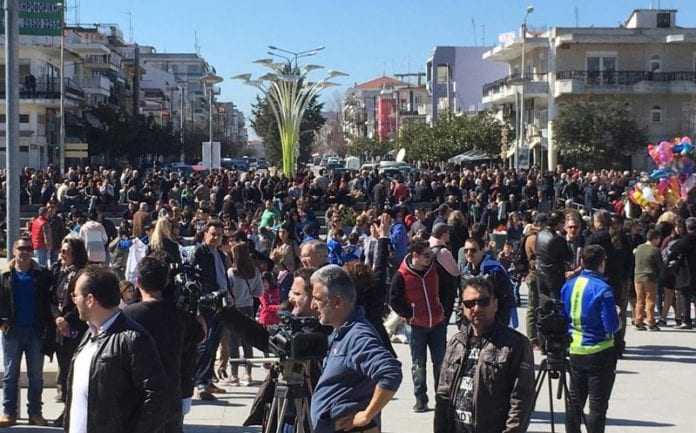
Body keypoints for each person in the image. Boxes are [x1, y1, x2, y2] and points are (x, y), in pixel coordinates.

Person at [64, 265, 169, 433]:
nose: (73, 300)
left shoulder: (133, 338)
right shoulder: (90, 333)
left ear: (90, 300)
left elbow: (157, 396)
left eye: (75, 295)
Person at [434, 277, 535, 433]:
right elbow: (443, 393)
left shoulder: (515, 344)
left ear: (495, 304)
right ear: (462, 307)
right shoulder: (456, 342)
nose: (476, 308)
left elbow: (521, 400)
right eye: (470, 303)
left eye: (483, 302)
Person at [310, 265, 402, 433]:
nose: (312, 306)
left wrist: (367, 415)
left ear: (337, 302)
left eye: (317, 299)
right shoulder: (341, 331)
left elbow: (390, 372)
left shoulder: (358, 336)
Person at [123, 256, 200, 433]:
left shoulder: (127, 315)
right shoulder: (179, 314)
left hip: (138, 396)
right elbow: (199, 334)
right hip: (171, 394)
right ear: (166, 282)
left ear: (138, 281)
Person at [560, 245, 620, 433]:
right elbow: (611, 326)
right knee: (597, 407)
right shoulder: (603, 289)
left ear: (582, 262)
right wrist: (618, 316)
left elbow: (562, 316)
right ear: (602, 263)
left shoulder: (568, 285)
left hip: (575, 350)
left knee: (574, 404)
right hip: (600, 351)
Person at [0, 237, 54, 427]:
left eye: (28, 248)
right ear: (14, 250)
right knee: (10, 375)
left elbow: (50, 300)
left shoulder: (43, 274)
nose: (25, 251)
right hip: (12, 331)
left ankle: (35, 413)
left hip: (36, 332)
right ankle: (8, 412)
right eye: (21, 248)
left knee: (36, 376)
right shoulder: (5, 274)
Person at [390, 239, 445, 412]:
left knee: (441, 363)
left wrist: (444, 310)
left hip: (437, 323)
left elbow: (448, 289)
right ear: (415, 255)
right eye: (426, 255)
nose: (430, 258)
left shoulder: (434, 270)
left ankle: (443, 399)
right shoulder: (401, 274)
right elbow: (393, 299)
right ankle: (421, 399)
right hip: (416, 327)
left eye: (431, 255)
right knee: (418, 364)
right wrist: (410, 314)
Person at [50, 238, 89, 427]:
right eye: (62, 251)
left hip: (76, 329)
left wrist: (67, 320)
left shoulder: (83, 274)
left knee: (74, 373)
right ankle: (67, 408)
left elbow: (80, 301)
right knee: (64, 371)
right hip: (59, 329)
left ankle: (72, 412)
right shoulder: (59, 272)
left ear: (76, 253)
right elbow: (51, 297)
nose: (62, 255)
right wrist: (58, 318)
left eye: (66, 251)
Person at [192, 220, 230, 400]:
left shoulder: (221, 254)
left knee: (214, 342)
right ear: (205, 233)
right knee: (205, 343)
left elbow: (223, 276)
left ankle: (207, 379)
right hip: (207, 303)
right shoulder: (199, 252)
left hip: (222, 302)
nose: (216, 238)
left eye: (219, 235)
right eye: (213, 234)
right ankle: (200, 383)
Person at [225, 242, 263, 386]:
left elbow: (228, 292)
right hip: (248, 308)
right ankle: (248, 375)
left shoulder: (231, 272)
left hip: (234, 308)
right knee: (248, 342)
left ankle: (234, 375)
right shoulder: (255, 272)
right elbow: (259, 292)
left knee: (233, 343)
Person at [458, 237, 515, 326]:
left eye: (473, 250)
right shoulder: (465, 273)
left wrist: (500, 325)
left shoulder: (495, 270)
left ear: (482, 250)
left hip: (493, 325)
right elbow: (462, 301)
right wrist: (461, 323)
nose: (469, 253)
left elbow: (507, 300)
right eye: (466, 250)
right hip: (471, 326)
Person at [429, 222, 460, 324]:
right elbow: (455, 271)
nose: (449, 235)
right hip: (444, 294)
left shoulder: (426, 247)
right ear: (443, 234)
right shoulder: (443, 252)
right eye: (448, 233)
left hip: (429, 291)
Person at [535, 211, 571, 300]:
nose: (564, 225)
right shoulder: (557, 239)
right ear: (558, 223)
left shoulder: (540, 234)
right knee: (556, 304)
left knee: (543, 303)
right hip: (554, 276)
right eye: (563, 222)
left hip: (540, 272)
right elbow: (569, 256)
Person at [633, 229, 663, 331]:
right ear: (655, 238)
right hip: (650, 277)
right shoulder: (655, 250)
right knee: (650, 300)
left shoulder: (639, 248)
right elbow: (660, 265)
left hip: (637, 277)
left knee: (640, 300)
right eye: (659, 239)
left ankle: (638, 320)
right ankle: (651, 321)